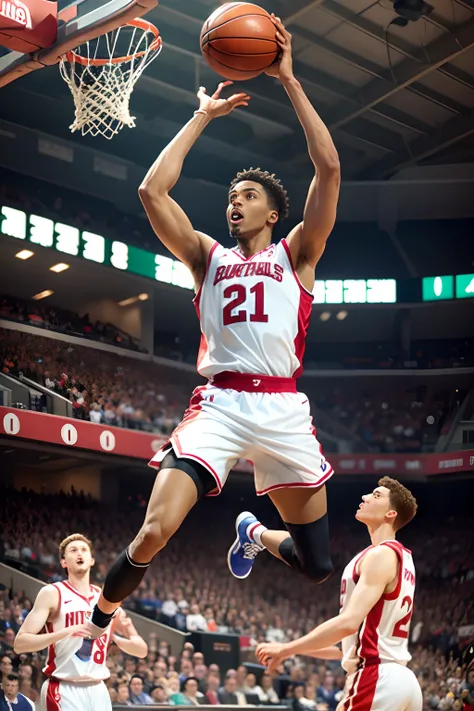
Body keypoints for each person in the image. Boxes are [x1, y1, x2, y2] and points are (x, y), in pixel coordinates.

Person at [87, 14, 340, 635]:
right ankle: (100, 620)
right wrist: (201, 115)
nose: (236, 201)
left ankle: (253, 530)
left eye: (249, 194)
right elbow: (152, 191)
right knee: (152, 531)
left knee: (317, 566)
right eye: (232, 195)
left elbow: (329, 169)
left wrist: (289, 80)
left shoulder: (298, 254)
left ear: (275, 211)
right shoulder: (207, 256)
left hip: (283, 411)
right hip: (221, 404)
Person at [256, 477, 423, 711]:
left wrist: (286, 649)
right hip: (403, 683)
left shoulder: (380, 555)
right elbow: (344, 648)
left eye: (376, 496)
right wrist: (291, 649)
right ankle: (255, 533)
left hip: (377, 678)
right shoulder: (404, 558)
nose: (364, 497)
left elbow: (348, 623)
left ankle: (255, 532)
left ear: (391, 514)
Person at [13, 534, 147, 711]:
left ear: (91, 560)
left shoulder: (105, 599)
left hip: (98, 689)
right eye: (73, 550)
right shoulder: (52, 593)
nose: (79, 554)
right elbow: (20, 644)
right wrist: (65, 632)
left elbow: (141, 650)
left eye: (84, 550)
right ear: (63, 562)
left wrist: (116, 639)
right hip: (64, 687)